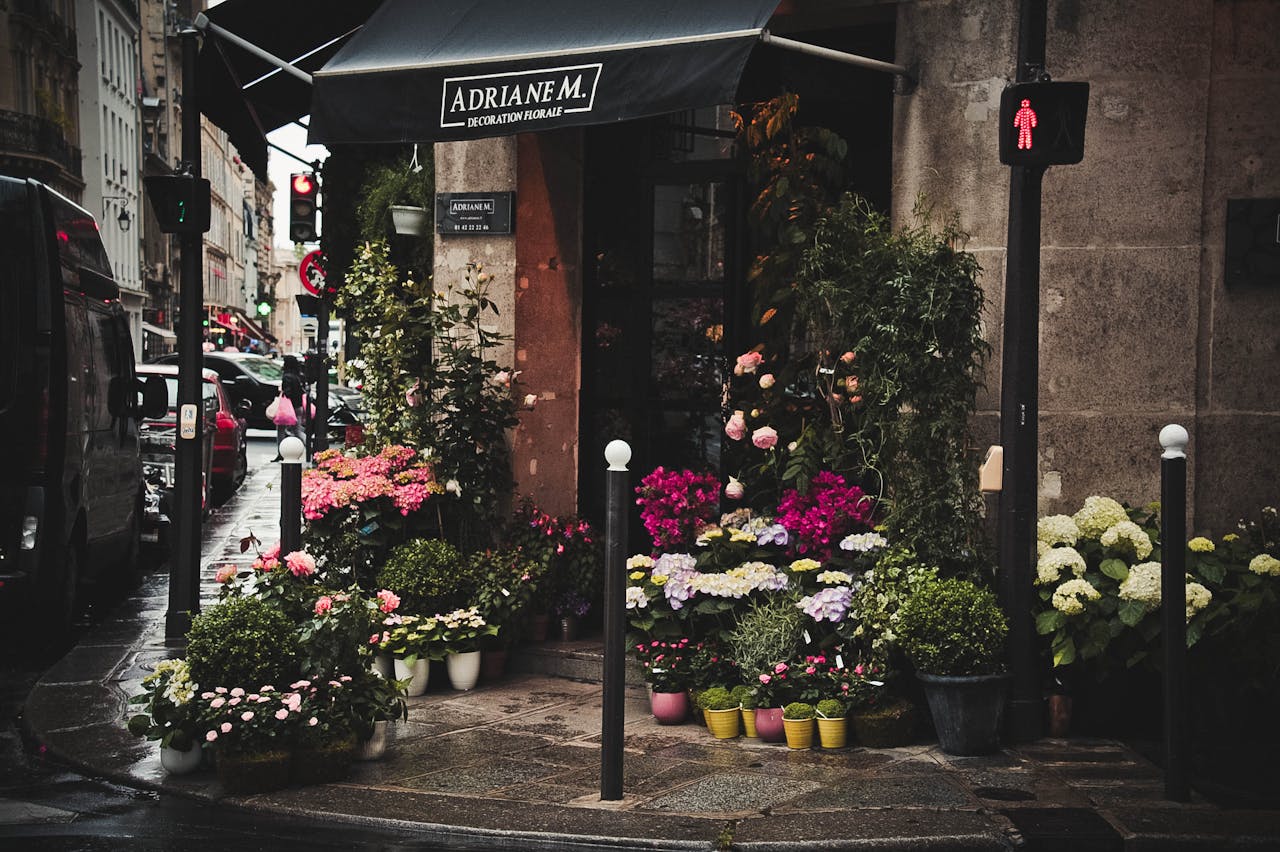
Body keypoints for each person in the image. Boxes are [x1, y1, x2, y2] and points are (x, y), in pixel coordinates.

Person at [272, 355, 307, 461]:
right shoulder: (299, 375)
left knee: (281, 429)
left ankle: (281, 453)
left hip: (288, 408)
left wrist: (282, 391)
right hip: (298, 406)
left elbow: (288, 392)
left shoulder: (287, 376)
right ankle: (310, 447)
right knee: (297, 430)